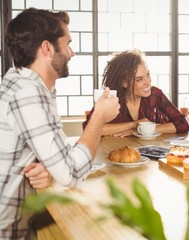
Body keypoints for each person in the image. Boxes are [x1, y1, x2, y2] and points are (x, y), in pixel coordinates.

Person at [0, 8, 120, 239]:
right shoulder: (27, 95)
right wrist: (99, 117)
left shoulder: (20, 83)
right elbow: (71, 173)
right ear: (47, 48)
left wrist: (48, 166)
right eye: (67, 44)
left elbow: (53, 156)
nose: (71, 53)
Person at [83, 49, 189, 136]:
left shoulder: (155, 95)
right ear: (124, 83)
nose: (148, 82)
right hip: (116, 154)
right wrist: (134, 124)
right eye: (139, 79)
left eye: (148, 75)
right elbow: (90, 128)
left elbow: (182, 124)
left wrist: (141, 130)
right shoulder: (111, 99)